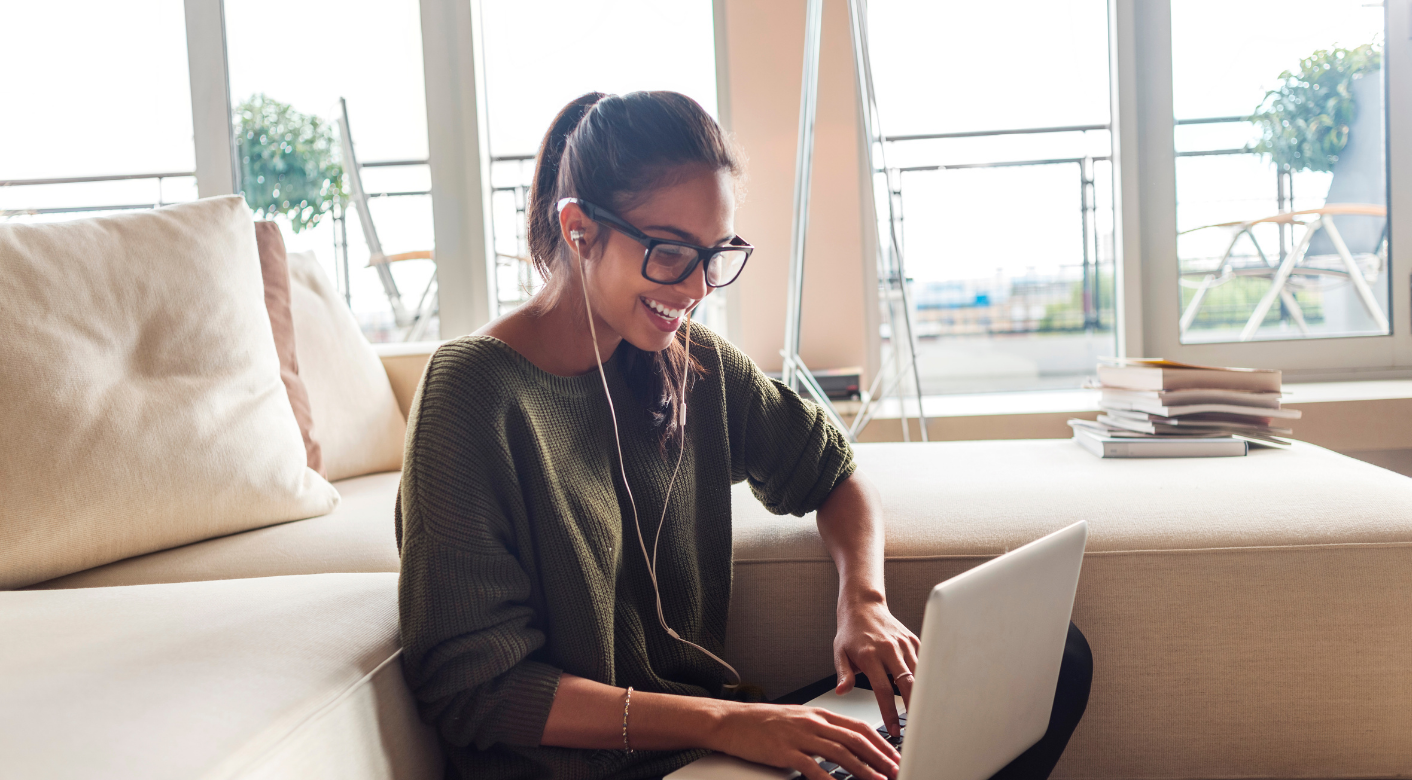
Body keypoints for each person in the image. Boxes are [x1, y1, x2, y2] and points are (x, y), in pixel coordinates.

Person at [395, 90, 1090, 780]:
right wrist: (730, 723)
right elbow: (475, 691)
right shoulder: (472, 393)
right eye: (670, 253)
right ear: (579, 230)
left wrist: (864, 603)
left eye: (716, 253)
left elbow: (835, 473)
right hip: (608, 765)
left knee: (1049, 659)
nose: (697, 287)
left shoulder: (692, 362)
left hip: (718, 749)